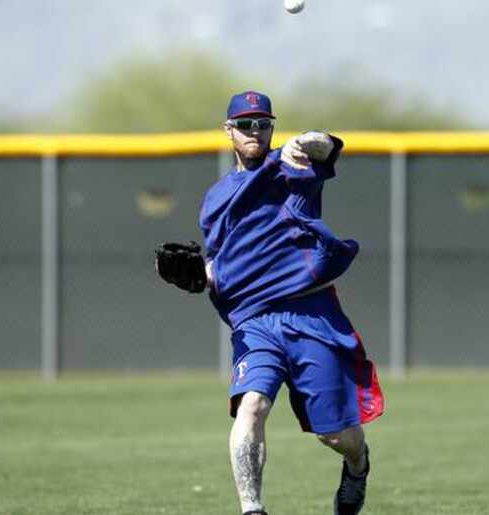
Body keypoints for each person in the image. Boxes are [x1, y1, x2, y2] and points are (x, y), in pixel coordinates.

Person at [155, 91, 384, 515]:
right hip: (255, 321)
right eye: (245, 124)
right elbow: (223, 264)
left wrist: (305, 143)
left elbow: (328, 146)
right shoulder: (216, 198)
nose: (255, 131)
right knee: (252, 405)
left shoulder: (293, 167)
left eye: (263, 123)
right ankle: (252, 509)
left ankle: (358, 465)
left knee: (337, 437)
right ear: (229, 132)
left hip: (309, 313)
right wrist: (200, 276)